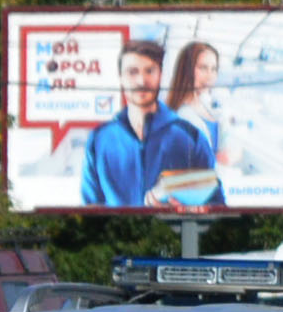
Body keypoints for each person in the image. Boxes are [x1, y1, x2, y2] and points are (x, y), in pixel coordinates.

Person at [80, 40, 223, 209]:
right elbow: (90, 210)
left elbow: (218, 207)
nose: (142, 80)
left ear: (160, 75)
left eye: (150, 71)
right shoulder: (100, 140)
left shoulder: (190, 137)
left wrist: (191, 213)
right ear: (120, 77)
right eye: (132, 72)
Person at [166, 41, 222, 162]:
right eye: (203, 68)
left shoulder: (206, 105)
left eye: (214, 69)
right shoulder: (184, 117)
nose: (210, 76)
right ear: (187, 70)